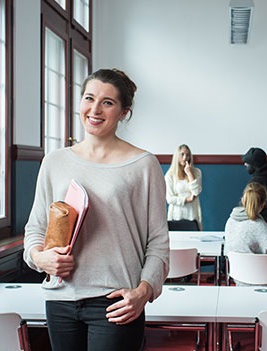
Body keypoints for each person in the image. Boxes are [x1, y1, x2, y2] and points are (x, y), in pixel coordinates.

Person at [23, 68, 169, 351]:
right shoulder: (54, 161)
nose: (95, 109)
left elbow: (159, 241)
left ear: (124, 112)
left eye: (108, 102)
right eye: (89, 98)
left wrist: (143, 291)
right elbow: (35, 229)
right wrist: (40, 259)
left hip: (117, 300)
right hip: (60, 299)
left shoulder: (143, 165)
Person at [224, 182, 267, 286]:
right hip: (263, 283)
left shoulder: (230, 221)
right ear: (263, 205)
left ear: (243, 200)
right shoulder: (258, 225)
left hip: (239, 281)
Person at [165, 144, 203, 230]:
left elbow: (196, 191)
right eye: (182, 154)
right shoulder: (170, 175)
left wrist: (189, 173)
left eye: (188, 155)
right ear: (177, 156)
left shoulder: (197, 172)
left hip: (192, 215)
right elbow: (169, 199)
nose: (185, 157)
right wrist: (187, 199)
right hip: (176, 216)